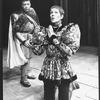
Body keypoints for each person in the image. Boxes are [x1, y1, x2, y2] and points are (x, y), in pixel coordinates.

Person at [31, 5, 81, 100]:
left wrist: (53, 38)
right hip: (48, 67)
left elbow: (70, 51)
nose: (52, 14)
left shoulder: (68, 30)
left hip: (63, 67)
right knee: (48, 96)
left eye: (56, 12)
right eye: (51, 12)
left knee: (63, 97)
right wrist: (32, 42)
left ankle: (71, 86)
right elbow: (38, 51)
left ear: (61, 16)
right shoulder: (45, 31)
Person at [7, 0, 40, 87]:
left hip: (31, 36)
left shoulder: (32, 11)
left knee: (30, 57)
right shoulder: (17, 15)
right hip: (23, 37)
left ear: (30, 4)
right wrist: (23, 41)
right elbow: (15, 31)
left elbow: (36, 24)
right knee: (25, 58)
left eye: (28, 4)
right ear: (21, 5)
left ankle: (28, 73)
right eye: (24, 4)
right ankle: (23, 78)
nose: (26, 6)